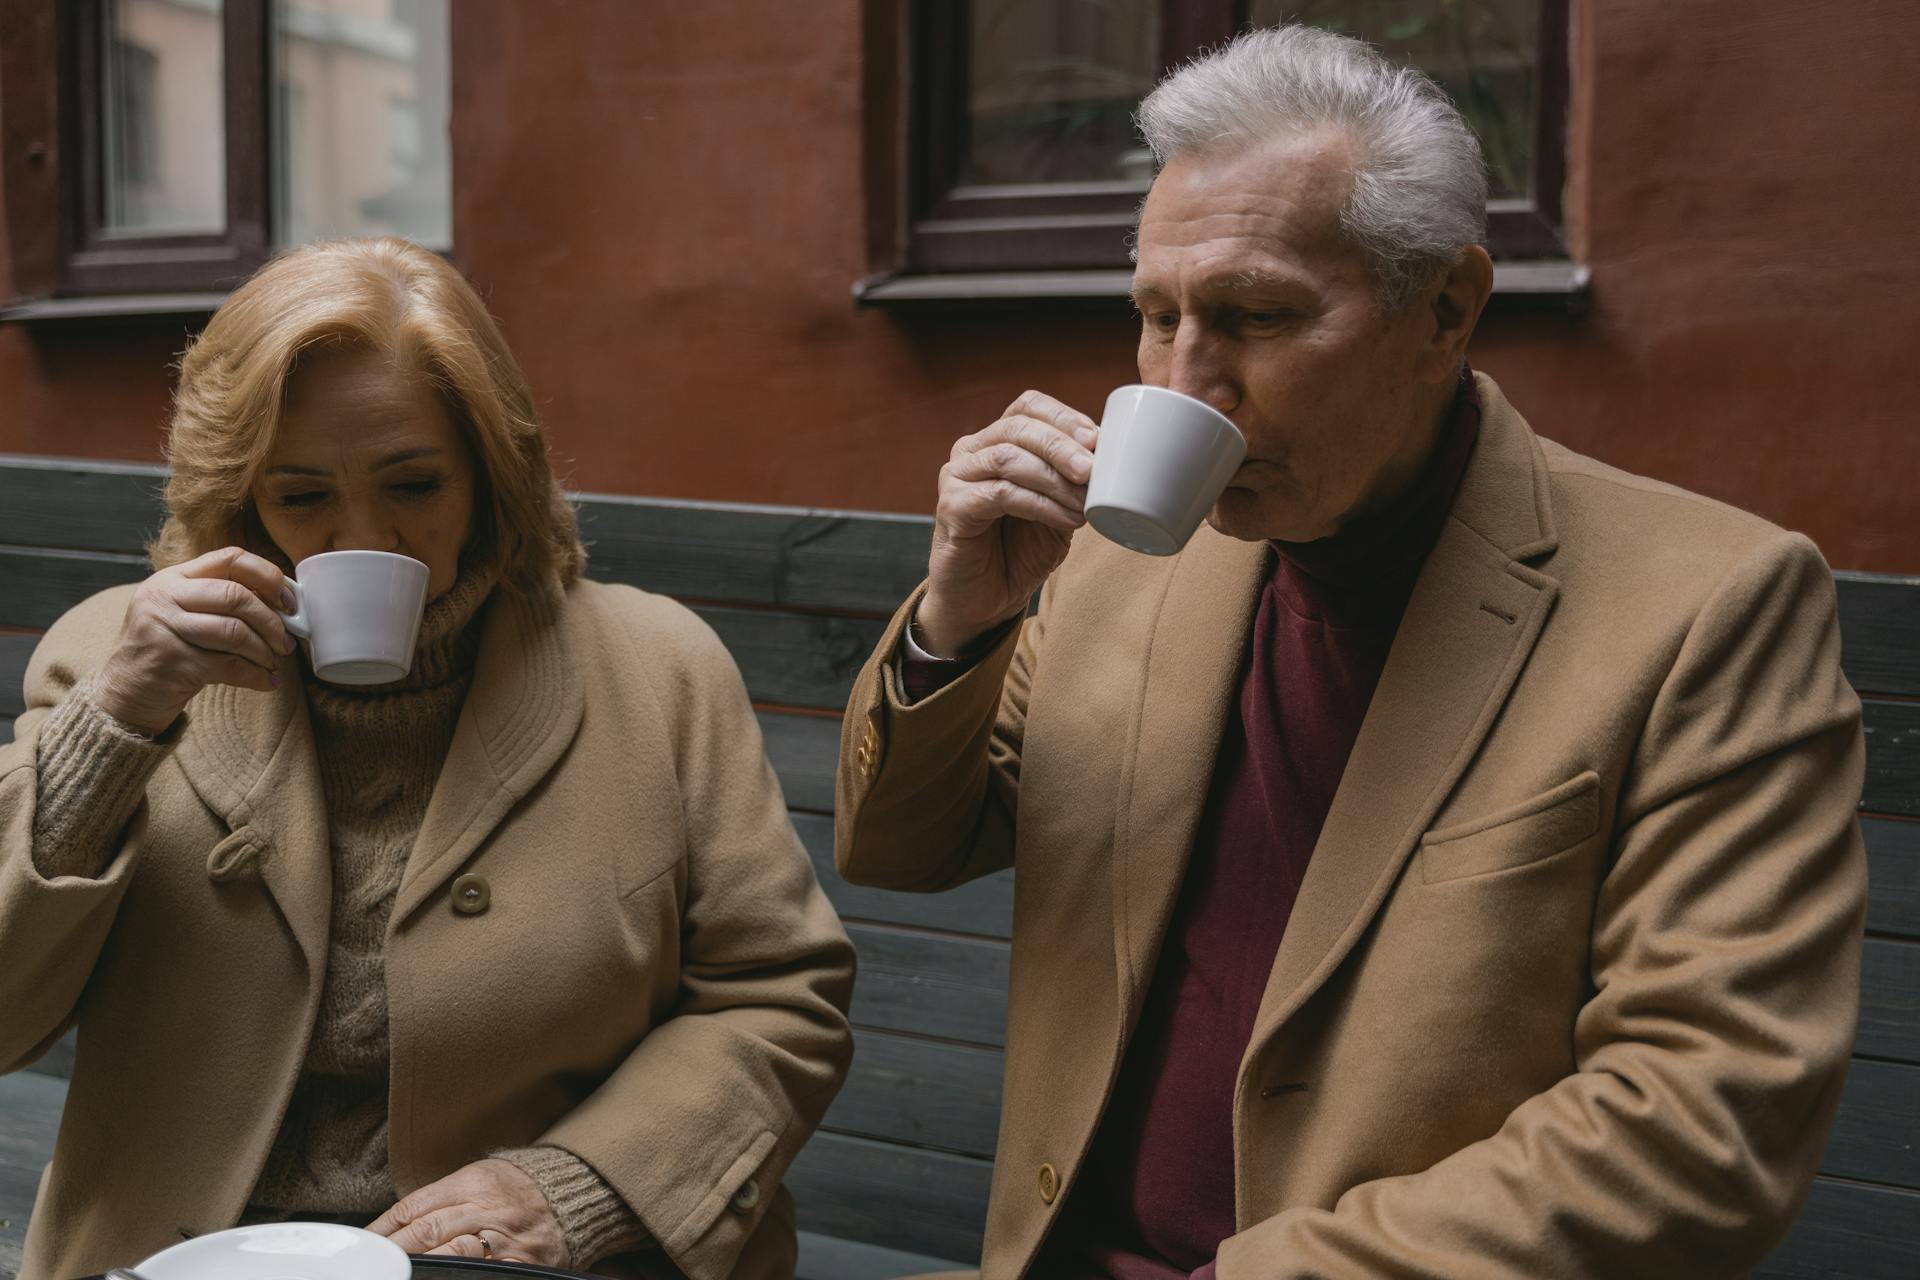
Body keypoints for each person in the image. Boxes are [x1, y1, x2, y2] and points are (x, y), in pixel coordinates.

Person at [835, 25, 1865, 1280]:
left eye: (1256, 315)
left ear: (1446, 309)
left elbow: (1705, 1119)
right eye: (1154, 317)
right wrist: (961, 620)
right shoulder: (1117, 555)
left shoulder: (1708, 605)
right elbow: (899, 844)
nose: (1187, 379)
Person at [0, 237, 855, 1280]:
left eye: (414, 482)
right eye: (303, 495)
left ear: (493, 472)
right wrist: (117, 723)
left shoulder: (661, 669)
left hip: (530, 1263)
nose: (369, 533)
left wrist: (582, 1185)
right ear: (241, 496)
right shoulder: (113, 659)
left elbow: (778, 995)